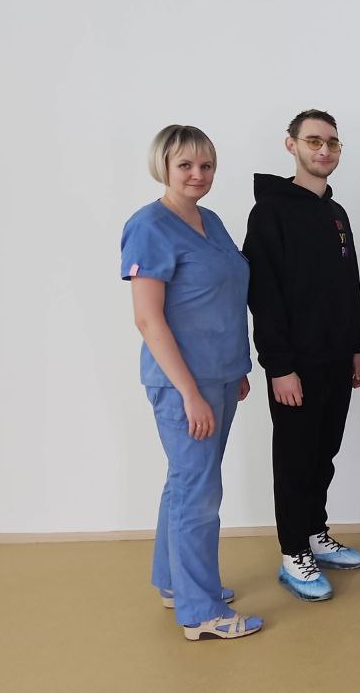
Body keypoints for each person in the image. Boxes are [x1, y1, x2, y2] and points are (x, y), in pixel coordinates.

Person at [121, 124, 262, 640]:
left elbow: (221, 297)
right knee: (199, 492)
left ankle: (174, 582)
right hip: (184, 384)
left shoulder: (211, 221)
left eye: (206, 165)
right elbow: (148, 318)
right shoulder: (149, 226)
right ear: (163, 166)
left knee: (186, 482)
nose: (198, 174)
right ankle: (202, 613)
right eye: (185, 165)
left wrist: (236, 367)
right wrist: (189, 393)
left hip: (221, 375)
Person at [243, 110, 360, 602]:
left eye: (332, 143)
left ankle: (315, 533)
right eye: (314, 140)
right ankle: (293, 551)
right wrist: (279, 366)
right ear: (291, 144)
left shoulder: (336, 214)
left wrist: (355, 345)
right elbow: (263, 294)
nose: (324, 150)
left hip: (336, 359)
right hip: (294, 364)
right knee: (295, 459)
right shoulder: (270, 212)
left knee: (323, 454)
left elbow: (347, 285)